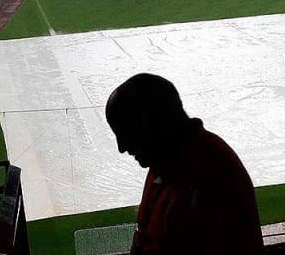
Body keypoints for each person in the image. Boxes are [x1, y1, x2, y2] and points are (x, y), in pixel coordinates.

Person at [105, 73, 264, 255]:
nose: (121, 147)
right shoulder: (164, 162)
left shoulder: (209, 178)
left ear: (155, 124)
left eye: (126, 133)